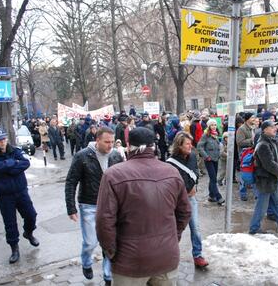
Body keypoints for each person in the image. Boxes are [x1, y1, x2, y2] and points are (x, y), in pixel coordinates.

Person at [96, 127, 192, 285]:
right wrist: (173, 237)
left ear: (128, 146)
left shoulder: (113, 175)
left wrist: (111, 251)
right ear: (153, 146)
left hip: (130, 261)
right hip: (166, 257)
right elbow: (185, 212)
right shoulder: (171, 172)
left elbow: (103, 221)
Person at [65, 127, 123, 284]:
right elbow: (71, 181)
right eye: (106, 142)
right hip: (89, 204)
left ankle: (108, 276)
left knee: (110, 243)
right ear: (97, 140)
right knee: (90, 242)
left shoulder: (116, 156)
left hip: (111, 206)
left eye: (112, 142)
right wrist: (71, 207)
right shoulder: (83, 156)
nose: (110, 145)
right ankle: (86, 262)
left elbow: (124, 181)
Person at [0, 129, 39, 264]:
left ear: (7, 139)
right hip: (4, 195)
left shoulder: (15, 150)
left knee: (31, 215)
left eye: (4, 139)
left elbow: (26, 163)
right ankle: (14, 249)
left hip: (20, 191)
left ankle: (29, 232)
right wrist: (13, 163)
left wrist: (9, 167)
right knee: (10, 224)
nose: (2, 142)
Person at [167, 132, 209, 268]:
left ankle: (198, 255)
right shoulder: (170, 163)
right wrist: (188, 188)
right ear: (179, 145)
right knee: (174, 230)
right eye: (187, 143)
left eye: (191, 143)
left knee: (195, 228)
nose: (191, 145)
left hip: (191, 199)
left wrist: (193, 185)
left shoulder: (192, 156)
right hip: (176, 202)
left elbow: (196, 173)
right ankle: (169, 257)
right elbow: (176, 183)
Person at [249, 120, 278, 234]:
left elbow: (276, 159)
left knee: (277, 203)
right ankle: (254, 228)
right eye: (272, 127)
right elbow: (269, 164)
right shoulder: (263, 144)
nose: (275, 129)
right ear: (265, 130)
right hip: (265, 180)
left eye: (275, 127)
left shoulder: (270, 141)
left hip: (271, 179)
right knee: (262, 206)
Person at [198, 119, 225, 205]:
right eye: (212, 125)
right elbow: (199, 147)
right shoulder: (205, 135)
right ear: (208, 126)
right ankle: (218, 196)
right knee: (213, 178)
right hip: (209, 160)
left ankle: (211, 195)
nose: (214, 126)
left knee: (213, 178)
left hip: (216, 159)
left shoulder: (216, 134)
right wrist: (206, 156)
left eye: (215, 125)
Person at [236, 112, 256, 201]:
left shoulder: (253, 128)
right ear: (247, 119)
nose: (254, 119)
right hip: (244, 155)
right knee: (244, 173)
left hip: (252, 153)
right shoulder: (241, 129)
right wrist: (251, 140)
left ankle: (254, 190)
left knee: (254, 171)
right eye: (252, 118)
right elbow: (239, 142)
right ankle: (243, 193)